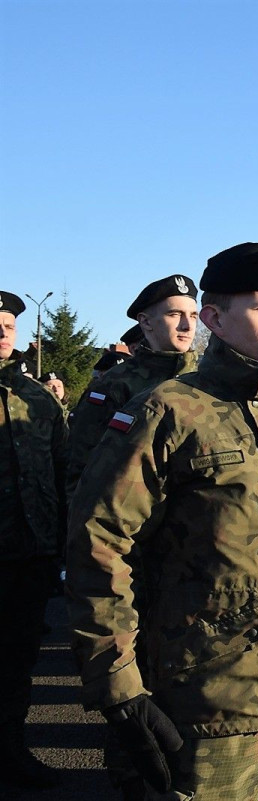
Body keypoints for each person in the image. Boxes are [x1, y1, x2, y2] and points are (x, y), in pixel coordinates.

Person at [67, 242, 258, 801]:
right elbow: (98, 546)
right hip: (206, 711)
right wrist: (118, 686)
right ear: (215, 319)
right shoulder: (165, 411)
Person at [0, 290, 68, 790]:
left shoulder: (39, 400)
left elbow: (63, 474)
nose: (2, 334)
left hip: (29, 554)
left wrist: (61, 548)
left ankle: (10, 751)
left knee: (17, 662)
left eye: (7, 326)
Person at [65, 274, 200, 498]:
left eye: (193, 316)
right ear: (146, 321)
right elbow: (81, 468)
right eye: (174, 314)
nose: (187, 326)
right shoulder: (113, 385)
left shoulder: (208, 378)